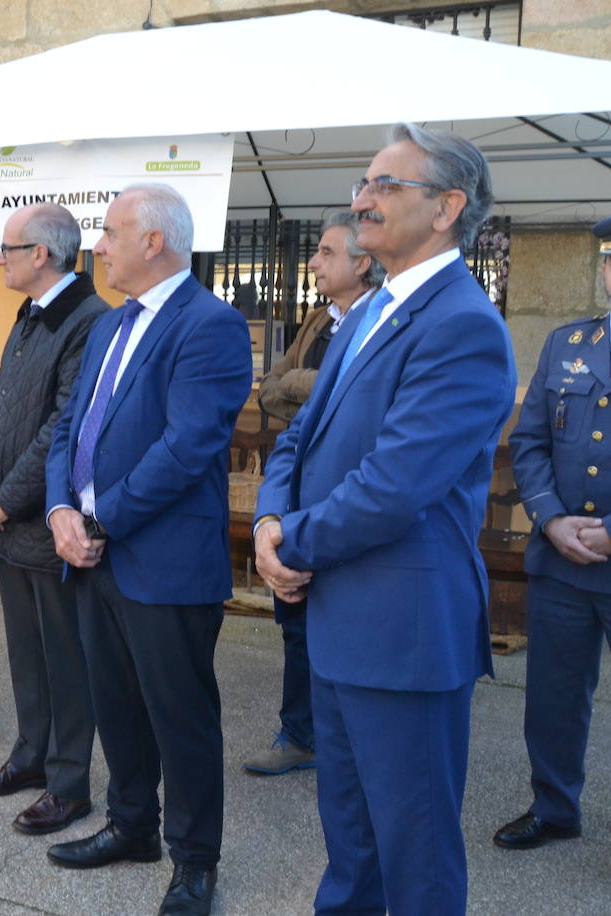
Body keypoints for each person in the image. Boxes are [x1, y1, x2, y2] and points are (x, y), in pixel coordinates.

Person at [254, 123, 516, 915]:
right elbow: (299, 437)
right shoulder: (370, 311)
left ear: (447, 209)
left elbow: (394, 485)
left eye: (383, 186)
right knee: (352, 841)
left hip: (403, 633)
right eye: (363, 184)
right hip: (339, 622)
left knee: (416, 852)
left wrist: (288, 540)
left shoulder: (463, 325)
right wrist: (270, 521)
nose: (360, 200)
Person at [43, 183, 251, 916]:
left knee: (179, 716)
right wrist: (62, 508)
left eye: (109, 233)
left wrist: (101, 521)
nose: (98, 246)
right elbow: (69, 424)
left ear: (155, 242)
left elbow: (188, 446)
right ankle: (131, 826)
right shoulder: (109, 325)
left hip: (162, 564)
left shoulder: (211, 325)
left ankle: (195, 862)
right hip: (93, 555)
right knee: (116, 706)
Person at [0, 203, 106, 835]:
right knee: (26, 651)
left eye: (6, 248)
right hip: (6, 517)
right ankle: (31, 756)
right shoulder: (28, 314)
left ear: (40, 255)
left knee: (63, 659)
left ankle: (69, 781)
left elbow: (63, 428)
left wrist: (8, 497)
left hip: (47, 521)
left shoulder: (87, 319)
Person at [243, 212, 384, 776]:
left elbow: (314, 391)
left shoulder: (378, 320)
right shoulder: (317, 320)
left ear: (361, 262)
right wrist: (315, 385)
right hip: (294, 488)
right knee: (294, 617)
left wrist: (309, 385)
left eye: (326, 253)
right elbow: (270, 391)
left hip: (337, 497)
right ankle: (299, 731)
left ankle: (334, 733)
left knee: (334, 616)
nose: (314, 263)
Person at [494, 216, 611, 852]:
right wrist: (551, 517)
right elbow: (531, 439)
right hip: (562, 559)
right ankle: (555, 806)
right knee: (554, 699)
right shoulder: (570, 344)